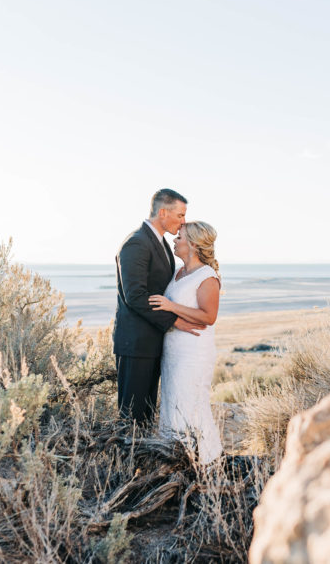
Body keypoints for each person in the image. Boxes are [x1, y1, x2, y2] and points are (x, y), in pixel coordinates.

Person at [112, 189, 204, 427]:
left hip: (152, 343)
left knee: (145, 415)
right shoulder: (136, 243)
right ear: (163, 212)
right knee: (132, 418)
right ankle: (126, 462)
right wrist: (174, 321)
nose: (183, 222)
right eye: (180, 215)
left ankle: (141, 462)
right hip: (136, 344)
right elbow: (135, 296)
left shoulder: (160, 243)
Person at [148, 220, 223, 463]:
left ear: (192, 243)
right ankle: (176, 463)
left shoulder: (207, 277)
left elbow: (209, 316)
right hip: (173, 352)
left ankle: (206, 463)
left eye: (179, 237)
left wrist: (171, 306)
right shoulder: (178, 272)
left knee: (190, 406)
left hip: (194, 353)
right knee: (172, 406)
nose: (174, 240)